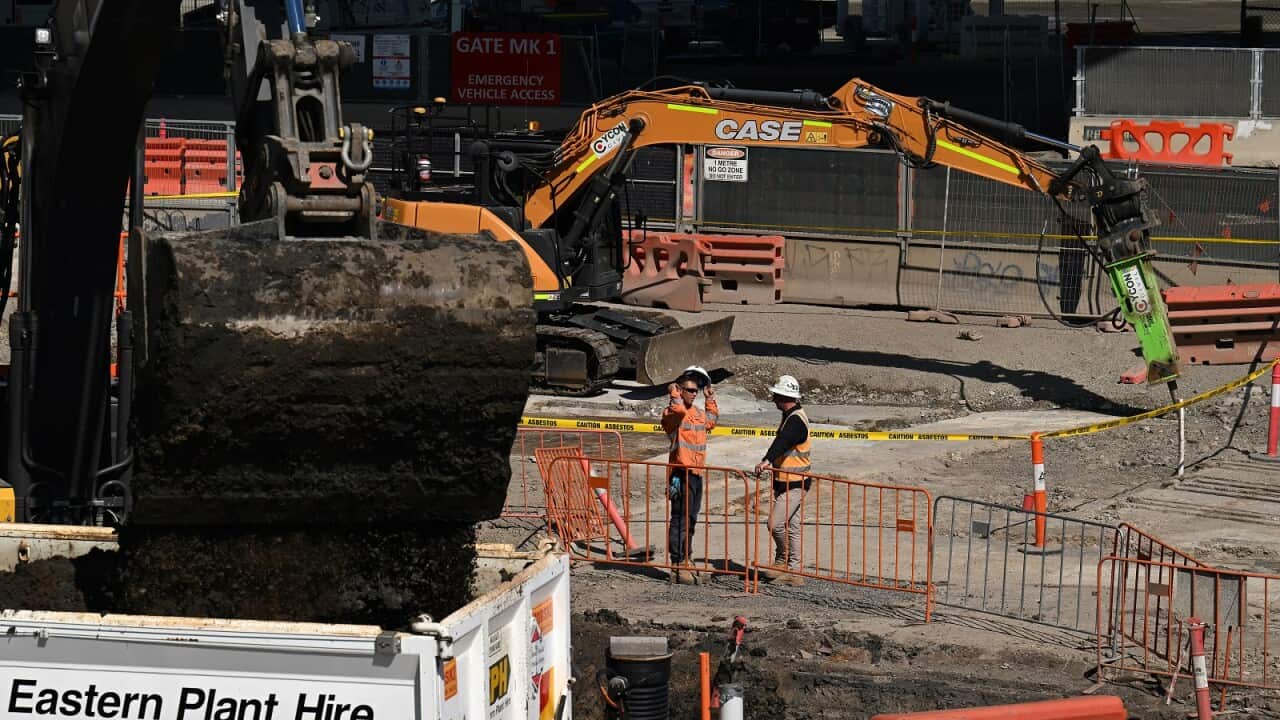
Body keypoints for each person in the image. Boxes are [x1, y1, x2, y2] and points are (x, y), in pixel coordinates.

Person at [661, 365, 718, 585]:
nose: (694, 393)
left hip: (695, 473)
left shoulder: (697, 414)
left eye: (696, 390)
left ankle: (687, 558)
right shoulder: (672, 413)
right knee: (679, 519)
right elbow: (677, 412)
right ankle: (677, 563)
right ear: (680, 390)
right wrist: (674, 394)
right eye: (690, 390)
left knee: (691, 519)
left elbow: (711, 421)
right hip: (679, 474)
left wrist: (710, 399)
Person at [753, 375, 810, 587]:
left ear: (784, 396)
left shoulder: (795, 420)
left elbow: (783, 442)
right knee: (792, 527)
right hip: (787, 482)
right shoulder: (791, 415)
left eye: (776, 395)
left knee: (775, 524)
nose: (773, 398)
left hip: (795, 483)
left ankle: (783, 561)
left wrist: (766, 460)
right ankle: (794, 571)